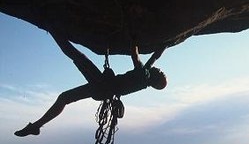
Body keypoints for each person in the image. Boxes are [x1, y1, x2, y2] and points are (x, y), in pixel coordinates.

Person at [14, 32, 167, 137]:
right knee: (65, 97)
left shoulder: (143, 75)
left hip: (102, 85)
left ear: (155, 79)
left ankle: (52, 30)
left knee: (76, 56)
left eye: (161, 73)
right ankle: (36, 126)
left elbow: (135, 55)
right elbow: (155, 58)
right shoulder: (144, 79)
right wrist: (165, 45)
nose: (160, 70)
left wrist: (133, 38)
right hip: (103, 90)